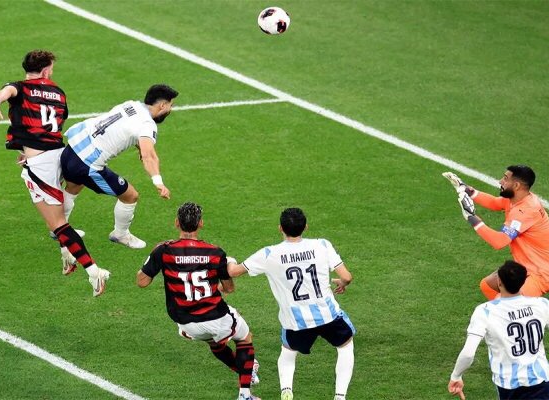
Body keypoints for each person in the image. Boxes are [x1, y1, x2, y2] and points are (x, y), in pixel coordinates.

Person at [0, 50, 109, 296]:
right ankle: (67, 253)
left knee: (57, 224)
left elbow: (8, 92)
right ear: (45, 70)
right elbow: (56, 122)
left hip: (41, 164)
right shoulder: (58, 92)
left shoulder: (20, 87)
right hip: (59, 154)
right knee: (54, 220)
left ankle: (94, 271)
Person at [228, 207, 355, 400]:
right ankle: (340, 397)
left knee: (288, 353)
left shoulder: (269, 254)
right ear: (306, 227)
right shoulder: (322, 245)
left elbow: (234, 272)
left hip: (295, 321)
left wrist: (229, 261)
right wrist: (342, 283)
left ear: (280, 228)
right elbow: (346, 276)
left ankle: (286, 392)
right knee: (345, 346)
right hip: (328, 315)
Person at [137, 202, 260, 400]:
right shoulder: (215, 253)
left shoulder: (163, 251)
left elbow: (141, 282)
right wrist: (229, 264)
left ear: (176, 223)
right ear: (201, 223)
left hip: (186, 324)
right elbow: (229, 289)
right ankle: (245, 394)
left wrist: (153, 254)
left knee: (214, 342)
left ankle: (244, 369)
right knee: (244, 338)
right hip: (216, 316)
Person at [60, 84, 177, 249]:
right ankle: (120, 234)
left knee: (73, 185)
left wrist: (141, 149)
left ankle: (59, 227)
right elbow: (148, 155)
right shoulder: (147, 124)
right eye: (171, 105)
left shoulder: (131, 104)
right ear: (162, 105)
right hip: (86, 163)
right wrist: (158, 182)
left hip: (71, 148)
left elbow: (129, 133)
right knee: (130, 196)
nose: (170, 109)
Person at [448, 260, 549, 400]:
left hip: (507, 384)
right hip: (540, 380)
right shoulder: (542, 304)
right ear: (523, 281)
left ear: (499, 282)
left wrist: (456, 376)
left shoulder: (485, 311)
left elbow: (468, 354)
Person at [443, 166, 549, 299]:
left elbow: (499, 242)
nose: (500, 181)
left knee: (511, 304)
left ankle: (525, 315)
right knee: (488, 286)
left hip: (542, 274)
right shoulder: (517, 198)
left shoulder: (525, 211)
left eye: (505, 179)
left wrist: (471, 217)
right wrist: (466, 189)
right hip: (524, 267)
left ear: (516, 185)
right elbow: (494, 202)